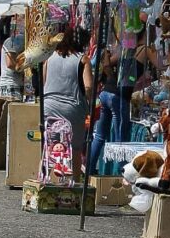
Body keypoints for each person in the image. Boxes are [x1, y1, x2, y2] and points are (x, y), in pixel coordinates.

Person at [89, 26, 160, 168]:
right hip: (119, 97)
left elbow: (107, 61)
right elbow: (161, 64)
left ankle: (90, 170)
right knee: (121, 141)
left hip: (106, 93)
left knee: (100, 136)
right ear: (144, 33)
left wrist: (110, 74)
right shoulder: (145, 49)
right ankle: (122, 175)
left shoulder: (125, 49)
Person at [43, 26, 92, 179]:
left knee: (49, 146)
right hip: (72, 109)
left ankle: (43, 179)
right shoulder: (83, 59)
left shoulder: (49, 58)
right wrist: (88, 101)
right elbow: (89, 86)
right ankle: (76, 182)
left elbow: (43, 81)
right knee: (75, 148)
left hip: (48, 107)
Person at [0, 33, 25, 101]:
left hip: (17, 84)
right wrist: (25, 71)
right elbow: (10, 64)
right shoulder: (13, 41)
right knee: (13, 110)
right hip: (10, 85)